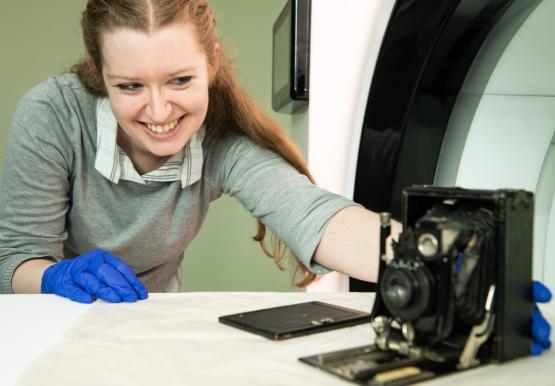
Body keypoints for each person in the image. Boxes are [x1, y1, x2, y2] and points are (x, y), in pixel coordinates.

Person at [0, 0, 549, 354]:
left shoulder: (220, 141)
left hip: (150, 322)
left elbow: (319, 219)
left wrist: (457, 271)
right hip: (48, 326)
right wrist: (53, 278)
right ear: (100, 75)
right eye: (130, 87)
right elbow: (16, 260)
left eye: (180, 79)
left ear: (212, 64)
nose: (160, 110)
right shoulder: (51, 115)